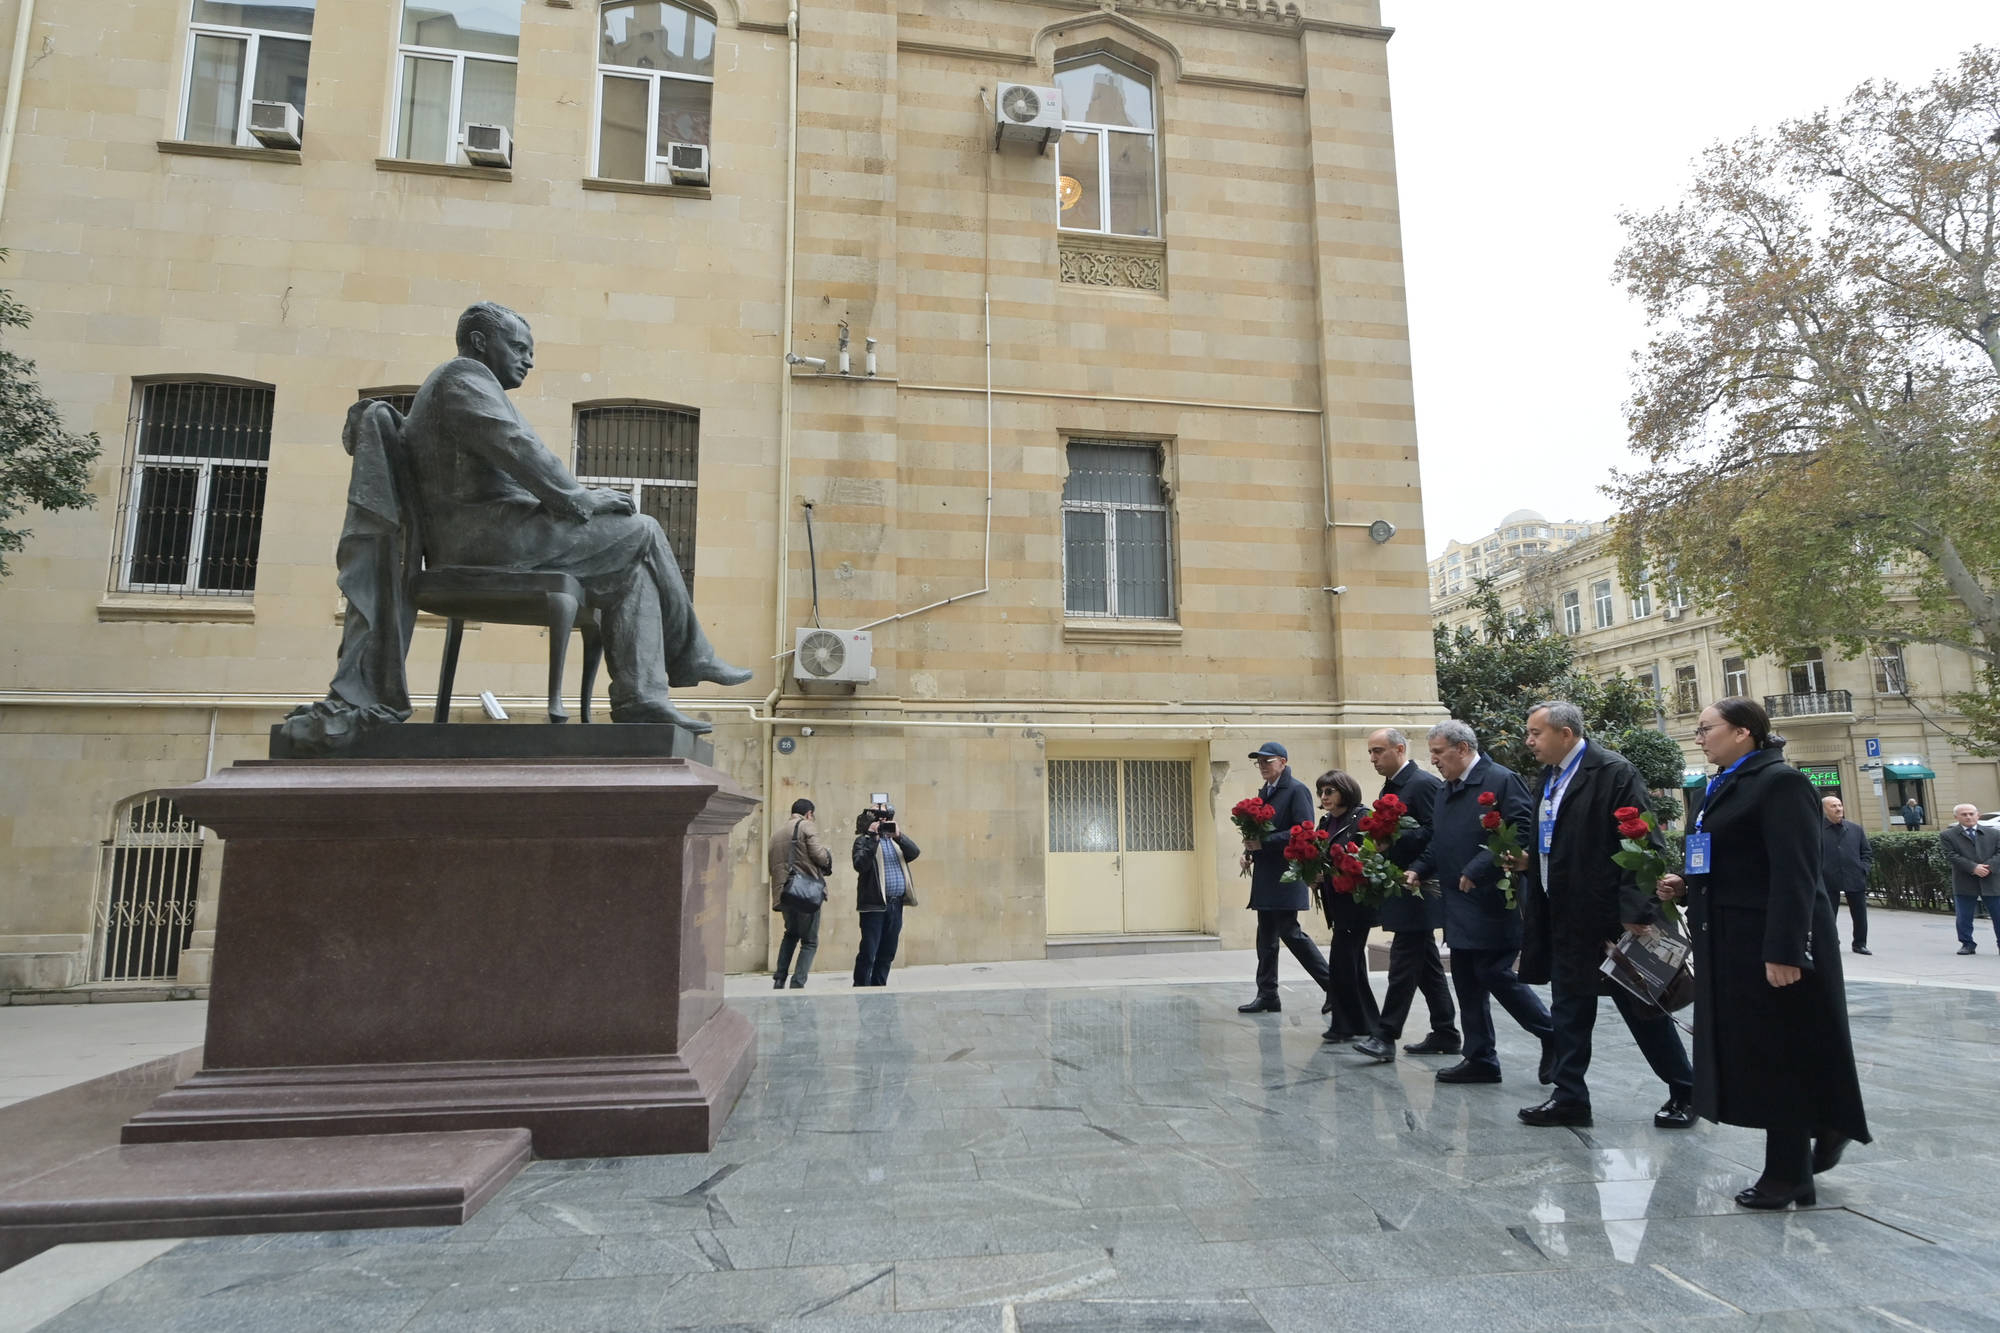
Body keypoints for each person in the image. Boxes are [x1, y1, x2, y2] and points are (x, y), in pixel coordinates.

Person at [399, 302, 751, 731]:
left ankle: (641, 697)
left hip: (494, 529)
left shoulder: (465, 383)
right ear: (479, 342)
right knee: (643, 530)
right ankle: (692, 654)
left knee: (632, 571)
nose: (528, 359)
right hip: (484, 538)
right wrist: (580, 498)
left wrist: (573, 499)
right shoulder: (463, 379)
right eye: (517, 347)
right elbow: (518, 448)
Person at [1659, 698, 1870, 1210]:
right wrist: (1687, 884)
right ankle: (1822, 1126)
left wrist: (1785, 950)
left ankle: (1788, 1173)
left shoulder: (1781, 783)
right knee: (1765, 1052)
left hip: (1771, 945)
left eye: (1707, 728)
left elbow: (1796, 874)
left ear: (1744, 733)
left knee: (1780, 1055)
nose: (1698, 736)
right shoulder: (1723, 784)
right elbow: (1739, 859)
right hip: (1731, 942)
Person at [1514, 702, 1694, 1130]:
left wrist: (1637, 909)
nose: (1529, 741)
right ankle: (1570, 1096)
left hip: (1609, 916)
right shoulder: (1550, 777)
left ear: (1565, 734)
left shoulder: (1613, 772)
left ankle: (1687, 1090)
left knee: (1642, 1008)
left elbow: (1642, 841)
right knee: (1569, 1008)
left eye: (1536, 733)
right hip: (1562, 911)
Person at [1406, 720, 1552, 1084]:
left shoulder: (1501, 779)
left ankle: (1552, 1033)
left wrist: (1479, 867)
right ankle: (1480, 1058)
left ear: (1463, 748)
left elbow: (1521, 828)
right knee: (1468, 979)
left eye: (1439, 753)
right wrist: (1419, 869)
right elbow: (1441, 841)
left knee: (1495, 972)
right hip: (1457, 901)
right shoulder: (1445, 790)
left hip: (1493, 898)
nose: (1434, 760)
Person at [1350, 727, 1459, 1065]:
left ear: (1399, 749)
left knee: (1403, 960)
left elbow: (1436, 832)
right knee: (1425, 964)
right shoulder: (1396, 785)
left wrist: (1399, 848)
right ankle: (1446, 1031)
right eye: (1370, 752)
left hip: (1419, 886)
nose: (1372, 759)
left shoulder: (1422, 784)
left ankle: (1385, 1035)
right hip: (1404, 885)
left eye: (1378, 751)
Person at [1237, 742, 1332, 1014]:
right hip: (1267, 874)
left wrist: (1263, 843)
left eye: (1268, 761)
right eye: (1259, 762)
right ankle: (1267, 994)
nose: (1263, 766)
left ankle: (1333, 987)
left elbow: (1303, 830)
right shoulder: (1266, 791)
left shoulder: (1296, 790)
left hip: (1286, 874)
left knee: (1289, 932)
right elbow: (1258, 831)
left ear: (1283, 761)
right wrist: (1249, 851)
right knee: (1265, 935)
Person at [1313, 769, 1378, 1044]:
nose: (1324, 797)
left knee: (1342, 962)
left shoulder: (1360, 818)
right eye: (1321, 792)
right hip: (1335, 900)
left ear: (1345, 790)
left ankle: (1345, 1024)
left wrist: (1330, 872)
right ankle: (1366, 1022)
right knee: (1351, 964)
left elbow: (1367, 858)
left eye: (1330, 791)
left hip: (1355, 901)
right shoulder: (1326, 820)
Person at [768, 798, 834, 989]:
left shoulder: (777, 834)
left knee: (790, 934)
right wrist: (828, 856)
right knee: (809, 941)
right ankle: (798, 982)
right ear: (809, 814)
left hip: (786, 893)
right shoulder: (806, 826)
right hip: (806, 892)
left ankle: (779, 978)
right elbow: (819, 855)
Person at [852, 802, 920, 986]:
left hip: (895, 904)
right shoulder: (863, 841)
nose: (882, 819)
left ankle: (879, 988)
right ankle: (861, 989)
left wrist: (899, 836)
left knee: (888, 952)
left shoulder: (894, 842)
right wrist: (873, 838)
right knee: (868, 952)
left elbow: (914, 852)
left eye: (885, 815)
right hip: (874, 905)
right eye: (877, 815)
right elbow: (860, 865)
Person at [1939, 804, 2000, 956]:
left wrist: (1988, 867)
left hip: (1991, 879)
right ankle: (1967, 943)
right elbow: (1951, 855)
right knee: (1964, 916)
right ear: (1956, 817)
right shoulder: (1948, 835)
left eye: (1971, 814)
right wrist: (1973, 868)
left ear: (1978, 815)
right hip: (1964, 880)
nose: (1968, 817)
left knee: (1998, 915)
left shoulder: (1994, 833)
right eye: (1964, 814)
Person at [1820, 796, 1873, 955]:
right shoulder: (1816, 829)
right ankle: (1830, 942)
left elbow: (1867, 852)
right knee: (1828, 914)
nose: (1838, 809)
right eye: (1833, 806)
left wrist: (1863, 869)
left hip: (1854, 877)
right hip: (1828, 878)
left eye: (1840, 805)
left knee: (1859, 914)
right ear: (1824, 810)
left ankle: (1860, 943)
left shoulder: (1855, 829)